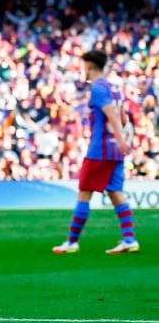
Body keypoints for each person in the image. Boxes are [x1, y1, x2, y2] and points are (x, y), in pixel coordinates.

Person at [52, 49, 139, 255]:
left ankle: (72, 242)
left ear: (89, 65)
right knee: (116, 193)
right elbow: (124, 118)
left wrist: (118, 139)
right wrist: (122, 140)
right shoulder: (115, 88)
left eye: (83, 65)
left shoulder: (98, 88)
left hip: (100, 150)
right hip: (115, 151)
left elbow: (111, 114)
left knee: (84, 192)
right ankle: (129, 240)